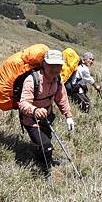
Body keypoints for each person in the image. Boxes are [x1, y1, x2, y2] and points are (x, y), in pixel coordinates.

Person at [18, 49, 74, 177]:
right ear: (44, 64)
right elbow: (23, 104)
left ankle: (44, 160)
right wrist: (35, 110)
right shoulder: (32, 80)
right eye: (52, 65)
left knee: (46, 140)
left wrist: (68, 116)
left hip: (47, 117)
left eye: (58, 66)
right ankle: (45, 170)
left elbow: (62, 99)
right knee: (46, 145)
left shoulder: (58, 80)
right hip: (31, 120)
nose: (55, 69)